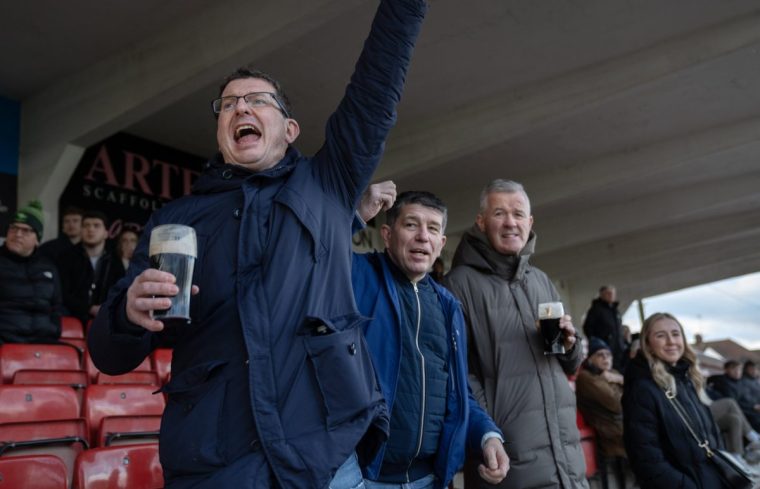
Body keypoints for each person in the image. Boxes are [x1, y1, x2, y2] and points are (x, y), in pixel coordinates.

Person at [87, 2, 428, 487]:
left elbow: (377, 86)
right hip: (214, 461)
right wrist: (125, 314)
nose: (241, 108)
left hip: (325, 454)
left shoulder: (328, 183)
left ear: (290, 131)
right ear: (221, 134)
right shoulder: (176, 221)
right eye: (228, 104)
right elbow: (110, 355)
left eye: (257, 100)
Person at [352, 186, 509, 489]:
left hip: (429, 479)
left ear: (441, 243)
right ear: (386, 234)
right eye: (411, 225)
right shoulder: (358, 276)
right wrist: (356, 216)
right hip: (365, 477)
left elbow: (458, 392)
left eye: (433, 228)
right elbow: (312, 253)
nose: (423, 236)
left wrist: (488, 435)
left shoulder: (448, 307)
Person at [443, 179, 588, 489]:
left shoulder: (541, 280)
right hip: (507, 462)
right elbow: (459, 377)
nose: (511, 222)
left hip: (566, 459)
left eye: (518, 214)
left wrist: (571, 344)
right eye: (499, 213)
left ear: (530, 222)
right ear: (481, 222)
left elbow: (569, 366)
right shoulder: (458, 285)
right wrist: (489, 435)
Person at [622, 312, 733, 488]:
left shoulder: (688, 380)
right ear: (648, 345)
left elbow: (712, 435)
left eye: (675, 334)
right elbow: (646, 459)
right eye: (660, 336)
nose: (671, 341)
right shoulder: (642, 390)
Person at [0, 201, 63, 344]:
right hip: (5, 342)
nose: (17, 234)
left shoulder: (48, 268)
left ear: (37, 239)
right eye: (13, 228)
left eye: (26, 230)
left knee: (76, 354)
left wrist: (54, 330)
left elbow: (57, 307)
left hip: (44, 340)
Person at [58, 211, 116, 324]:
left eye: (96, 225)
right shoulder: (65, 257)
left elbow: (119, 292)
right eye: (86, 225)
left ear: (106, 233)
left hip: (105, 320)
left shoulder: (115, 261)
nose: (91, 229)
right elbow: (61, 293)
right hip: (71, 318)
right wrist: (89, 308)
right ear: (81, 230)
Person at [575, 337, 626, 458]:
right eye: (600, 355)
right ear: (590, 359)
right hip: (613, 435)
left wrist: (620, 379)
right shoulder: (585, 377)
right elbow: (618, 404)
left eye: (608, 354)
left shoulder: (614, 373)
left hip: (624, 427)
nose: (605, 358)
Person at [582, 285, 627, 372]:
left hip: (619, 349)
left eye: (613, 293)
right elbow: (587, 328)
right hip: (605, 350)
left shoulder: (615, 310)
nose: (611, 295)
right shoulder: (595, 309)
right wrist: (599, 344)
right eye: (608, 293)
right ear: (601, 294)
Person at [709, 360, 760, 431]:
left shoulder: (738, 383)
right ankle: (751, 435)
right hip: (737, 410)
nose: (737, 372)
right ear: (726, 370)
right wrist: (753, 407)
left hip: (746, 409)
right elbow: (734, 402)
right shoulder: (723, 382)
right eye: (734, 369)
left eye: (739, 369)